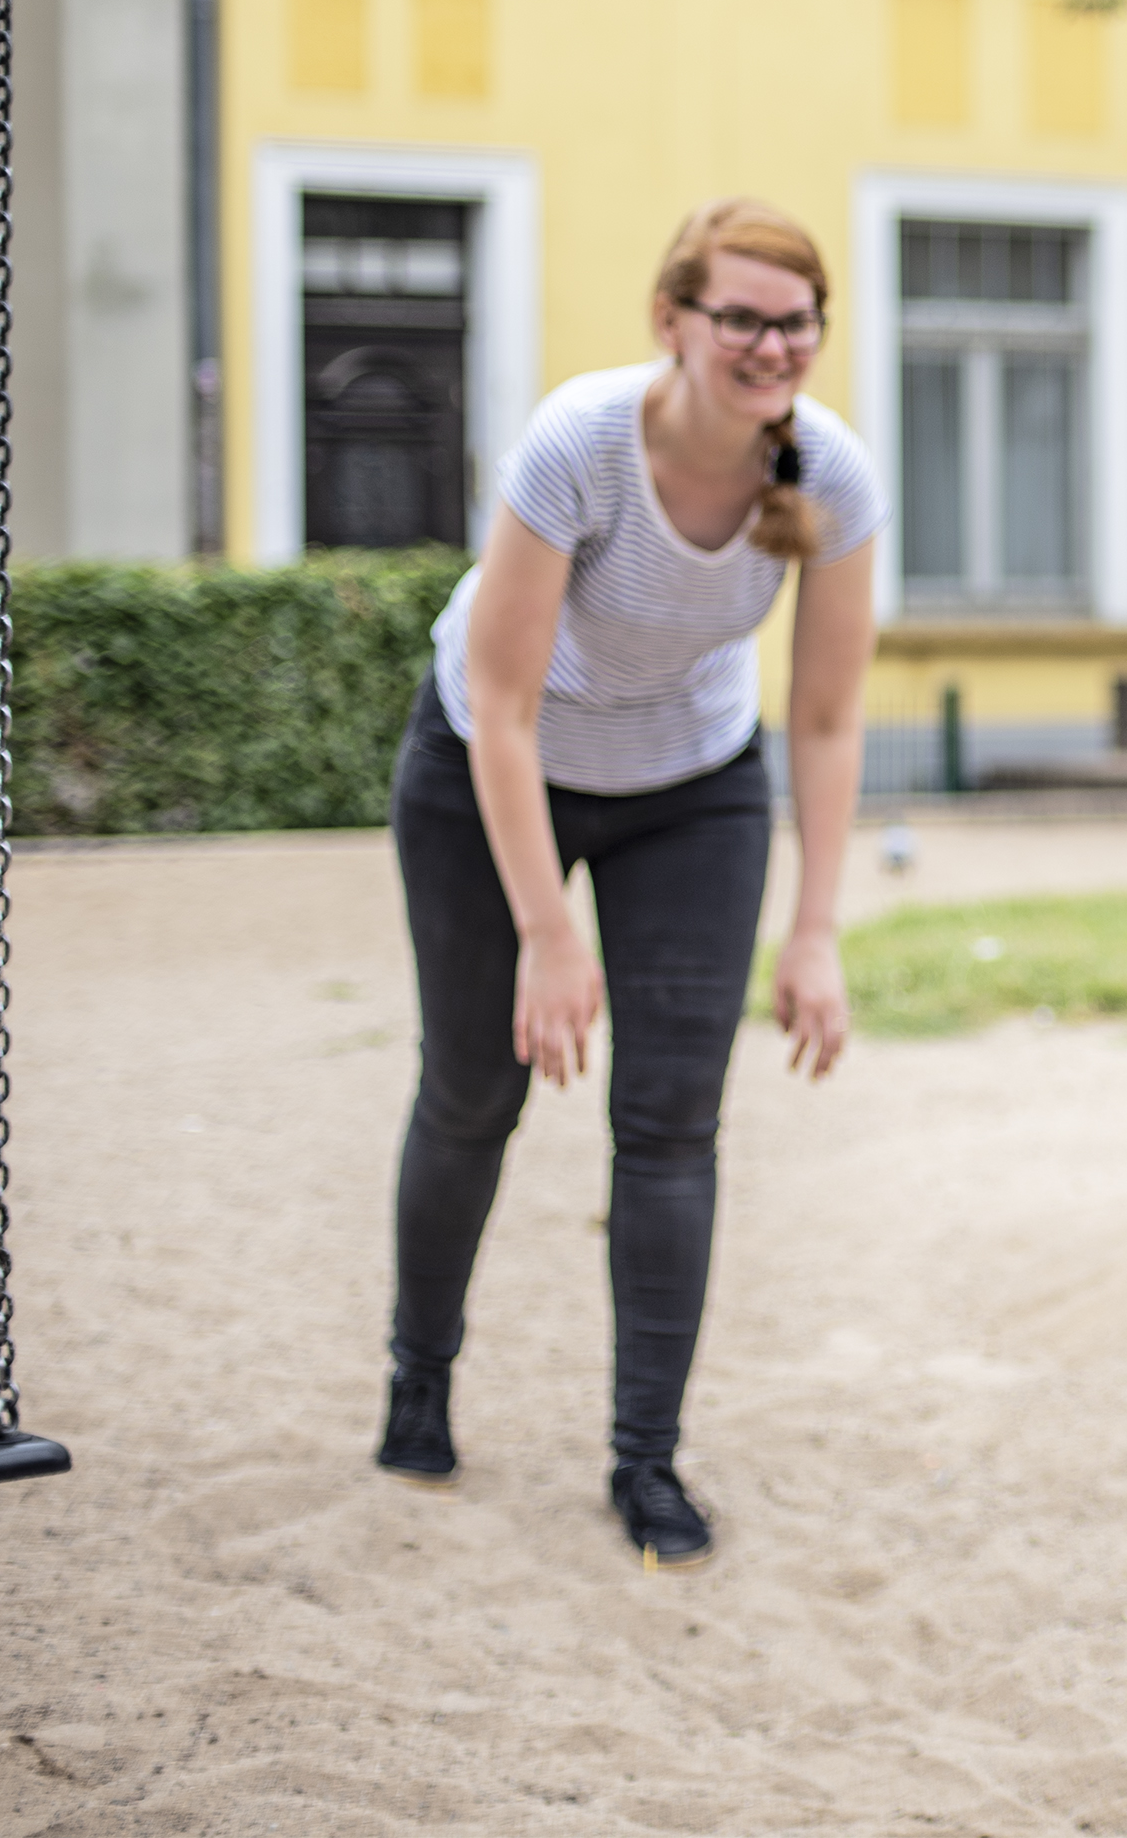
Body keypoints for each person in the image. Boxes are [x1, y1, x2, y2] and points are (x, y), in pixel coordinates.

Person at [373, 197, 881, 1570]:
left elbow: (826, 722)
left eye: (796, 320)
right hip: (490, 766)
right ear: (673, 320)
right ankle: (420, 1377)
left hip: (692, 791)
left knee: (669, 1124)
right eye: (742, 317)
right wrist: (546, 932)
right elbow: (502, 698)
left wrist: (815, 927)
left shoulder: (829, 477)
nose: (772, 344)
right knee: (474, 1088)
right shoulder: (580, 443)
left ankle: (643, 1461)